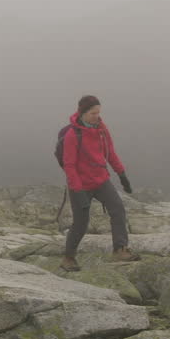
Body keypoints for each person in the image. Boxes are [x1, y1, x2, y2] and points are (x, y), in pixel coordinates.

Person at [60, 95, 139, 270]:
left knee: (117, 209)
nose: (97, 116)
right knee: (81, 223)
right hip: (80, 185)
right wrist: (78, 190)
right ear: (83, 113)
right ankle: (68, 258)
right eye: (93, 113)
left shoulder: (102, 130)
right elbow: (69, 165)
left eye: (98, 112)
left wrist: (122, 174)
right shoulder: (73, 135)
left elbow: (110, 153)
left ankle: (120, 249)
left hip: (101, 181)